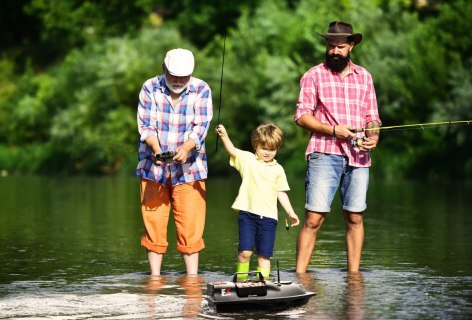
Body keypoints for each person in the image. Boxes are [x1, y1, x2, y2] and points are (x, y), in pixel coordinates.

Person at [294, 21, 381, 273]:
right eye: (331, 46)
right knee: (313, 218)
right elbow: (301, 117)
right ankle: (300, 277)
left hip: (358, 157)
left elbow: (372, 117)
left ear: (351, 46)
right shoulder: (313, 75)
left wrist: (373, 136)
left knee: (355, 217)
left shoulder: (364, 76)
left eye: (340, 47)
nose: (334, 51)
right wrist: (334, 130)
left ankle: (354, 277)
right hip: (324, 152)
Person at [136, 48, 213, 276]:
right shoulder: (150, 87)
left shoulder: (202, 89)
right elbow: (146, 126)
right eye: (174, 75)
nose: (179, 81)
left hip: (191, 169)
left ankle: (191, 280)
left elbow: (201, 127)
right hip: (152, 168)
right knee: (154, 225)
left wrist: (186, 148)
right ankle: (155, 278)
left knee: (191, 227)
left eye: (184, 76)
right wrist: (158, 151)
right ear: (164, 68)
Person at [216, 123, 300, 279]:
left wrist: (290, 212)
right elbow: (232, 150)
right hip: (247, 215)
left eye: (272, 149)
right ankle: (241, 280)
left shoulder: (278, 169)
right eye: (264, 148)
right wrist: (224, 135)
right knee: (245, 252)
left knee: (264, 255)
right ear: (256, 145)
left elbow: (281, 192)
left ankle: (263, 283)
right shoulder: (248, 160)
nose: (268, 153)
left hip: (269, 219)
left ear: (277, 149)